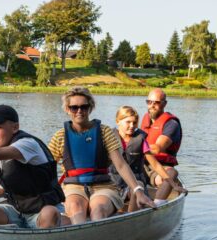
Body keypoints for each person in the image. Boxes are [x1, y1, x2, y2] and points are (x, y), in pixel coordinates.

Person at [47, 87, 154, 224]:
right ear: (68, 109)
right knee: (76, 209)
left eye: (84, 107)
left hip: (103, 186)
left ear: (90, 108)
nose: (79, 111)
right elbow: (46, 169)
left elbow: (121, 165)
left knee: (98, 209)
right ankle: (80, 238)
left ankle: (96, 237)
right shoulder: (60, 136)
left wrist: (138, 191)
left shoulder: (104, 132)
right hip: (73, 186)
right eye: (74, 107)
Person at [112, 106, 185, 211]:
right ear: (118, 121)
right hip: (114, 182)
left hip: (135, 183)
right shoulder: (109, 137)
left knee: (138, 187)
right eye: (128, 122)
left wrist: (174, 185)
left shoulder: (140, 140)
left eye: (135, 122)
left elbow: (155, 164)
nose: (132, 126)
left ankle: (131, 219)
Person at [140, 88, 183, 203]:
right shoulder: (144, 120)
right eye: (149, 102)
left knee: (171, 173)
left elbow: (158, 148)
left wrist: (136, 149)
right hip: (141, 162)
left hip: (160, 165)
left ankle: (158, 204)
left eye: (156, 102)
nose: (152, 105)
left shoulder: (171, 124)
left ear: (164, 104)